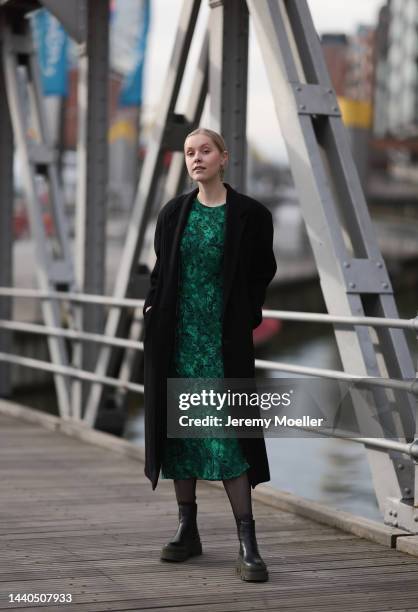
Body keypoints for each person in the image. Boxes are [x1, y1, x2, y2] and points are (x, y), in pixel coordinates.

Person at [142, 127, 277, 582]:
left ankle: (248, 542)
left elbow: (263, 270)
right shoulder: (174, 212)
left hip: (221, 345)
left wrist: (246, 316)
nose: (196, 158)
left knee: (228, 437)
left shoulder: (251, 215)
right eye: (189, 153)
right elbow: (161, 270)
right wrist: (151, 309)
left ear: (223, 158)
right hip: (178, 342)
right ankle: (187, 529)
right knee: (180, 437)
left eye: (205, 151)